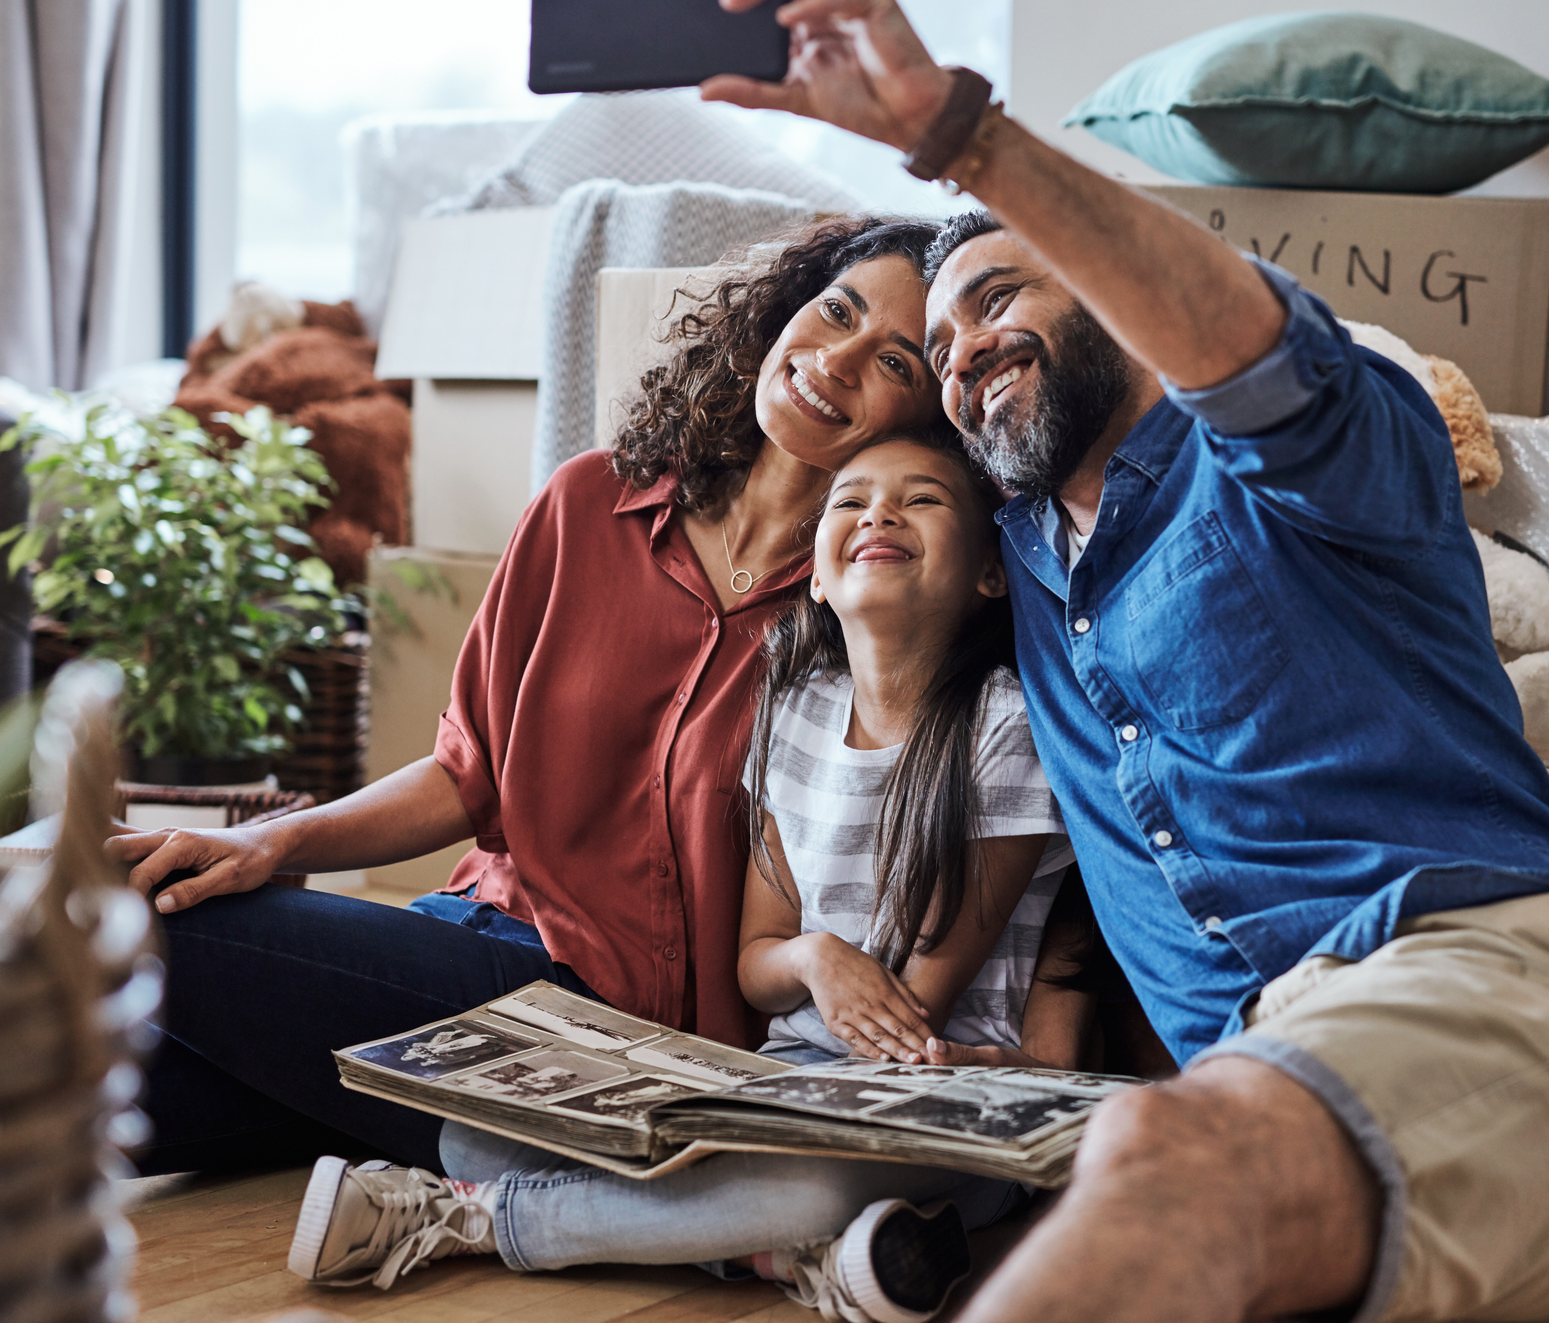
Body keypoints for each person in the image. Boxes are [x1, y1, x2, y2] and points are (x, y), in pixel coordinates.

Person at [689, 0, 1549, 1323]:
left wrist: (957, 138)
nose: (966, 345)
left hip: (1492, 1008)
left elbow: (1252, 350)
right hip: (1274, 1113)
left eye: (1001, 295)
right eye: (943, 341)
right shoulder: (1018, 570)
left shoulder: (1307, 469)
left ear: (1106, 290)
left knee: (1163, 1150)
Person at [110, 216, 948, 1175]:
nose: (834, 360)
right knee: (89, 1111)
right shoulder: (586, 503)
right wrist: (269, 842)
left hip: (606, 1033)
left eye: (895, 362)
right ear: (781, 313)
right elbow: (467, 775)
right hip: (459, 951)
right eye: (834, 310)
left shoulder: (872, 610)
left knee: (145, 924)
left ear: (928, 425)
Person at [287, 431, 1085, 1323]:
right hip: (783, 1079)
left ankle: (467, 1220)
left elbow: (908, 1019)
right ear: (815, 576)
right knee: (475, 1130)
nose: (878, 513)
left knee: (814, 1185)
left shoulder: (1002, 729)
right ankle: (787, 1256)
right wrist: (814, 956)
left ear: (990, 573)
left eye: (923, 499)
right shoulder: (791, 712)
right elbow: (757, 958)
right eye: (850, 499)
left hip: (932, 1088)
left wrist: (760, 1112)